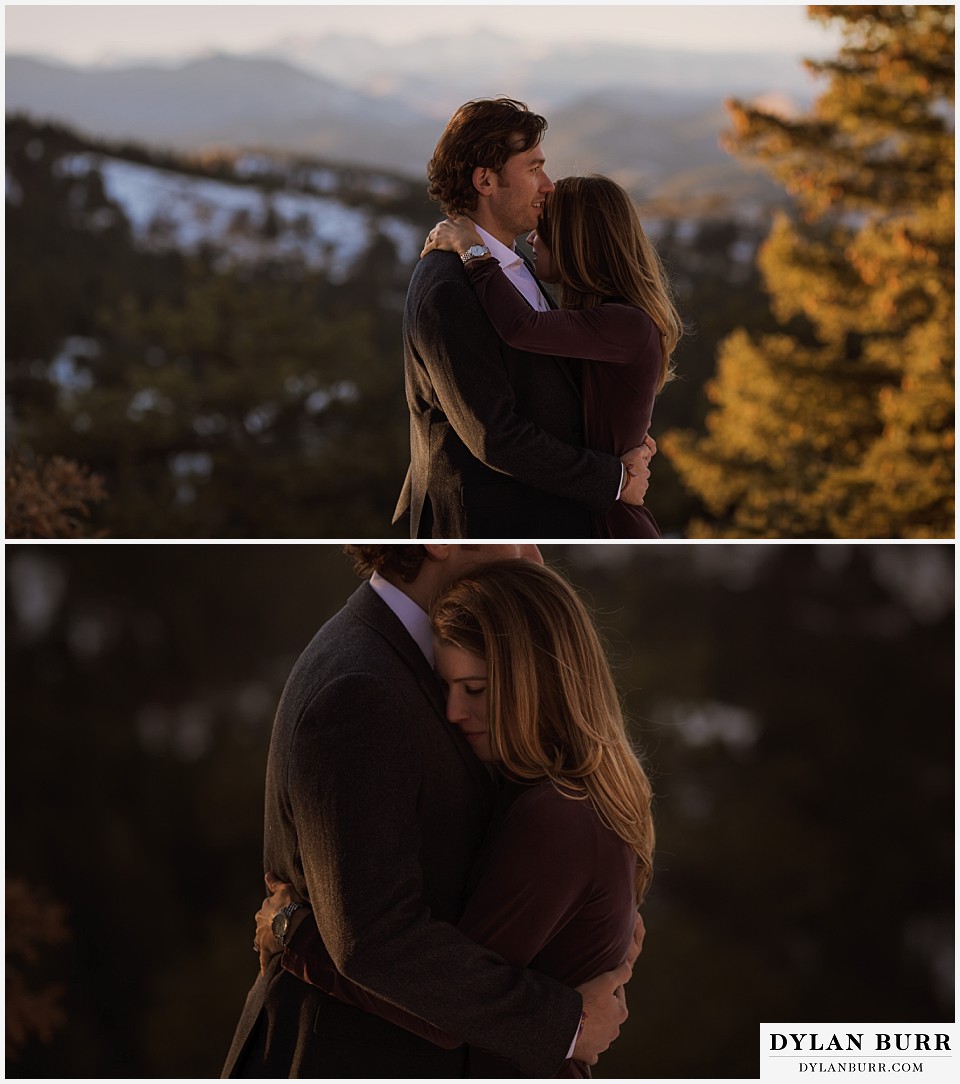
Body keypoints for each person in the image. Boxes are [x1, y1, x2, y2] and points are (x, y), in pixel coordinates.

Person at [221, 544, 635, 1079]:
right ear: (442, 539)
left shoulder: (410, 663)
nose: (534, 553)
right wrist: (567, 1023)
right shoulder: (362, 685)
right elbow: (374, 942)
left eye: (473, 689)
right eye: (520, 534)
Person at [391, 97, 655, 539]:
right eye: (533, 169)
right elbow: (494, 436)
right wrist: (613, 478)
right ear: (486, 180)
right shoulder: (447, 288)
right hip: (480, 529)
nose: (548, 185)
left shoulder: (513, 268)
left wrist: (629, 440)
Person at [421, 174, 683, 538]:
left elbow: (522, 326)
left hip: (608, 522)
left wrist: (474, 250)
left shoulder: (627, 323)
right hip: (590, 508)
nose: (531, 238)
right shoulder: (608, 319)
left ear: (579, 239)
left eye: (545, 228)